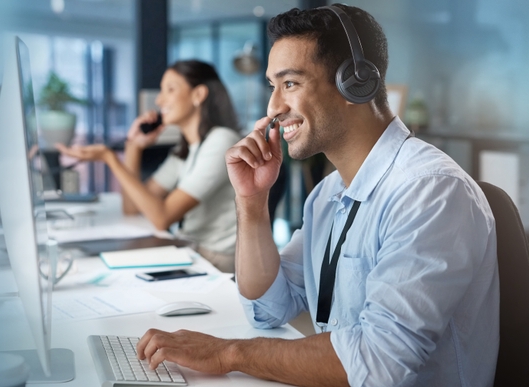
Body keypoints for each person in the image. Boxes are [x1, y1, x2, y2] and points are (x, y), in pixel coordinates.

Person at [135, 5, 499, 386]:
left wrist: (228, 353)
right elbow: (267, 308)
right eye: (272, 87)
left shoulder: (429, 191)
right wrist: (251, 202)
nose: (273, 107)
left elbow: (377, 363)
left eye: (290, 84)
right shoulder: (328, 195)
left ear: (355, 83)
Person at [56, 60, 241, 272]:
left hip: (216, 260)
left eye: (170, 90)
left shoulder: (221, 141)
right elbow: (132, 208)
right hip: (191, 249)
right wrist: (134, 147)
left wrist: (110, 158)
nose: (160, 100)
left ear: (198, 95)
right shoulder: (186, 149)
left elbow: (161, 217)